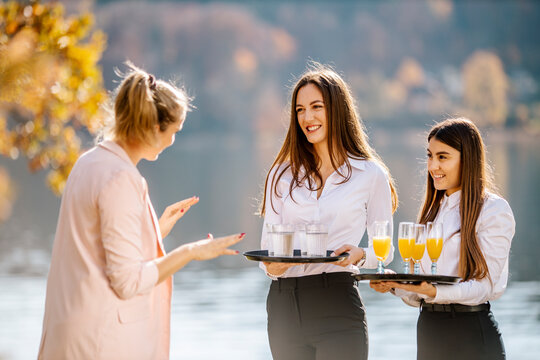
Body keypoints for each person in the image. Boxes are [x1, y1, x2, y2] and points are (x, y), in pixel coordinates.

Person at [38, 63, 244, 359]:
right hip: (98, 342)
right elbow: (127, 282)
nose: (173, 140)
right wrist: (192, 252)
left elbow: (98, 250)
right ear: (153, 127)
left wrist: (154, 232)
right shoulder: (122, 178)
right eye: (174, 131)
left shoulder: (89, 162)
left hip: (68, 334)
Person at [259, 63, 398, 360]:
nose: (307, 117)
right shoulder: (280, 175)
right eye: (299, 110)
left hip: (337, 301)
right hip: (285, 306)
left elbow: (384, 250)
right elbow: (267, 254)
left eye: (316, 107)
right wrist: (276, 265)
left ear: (337, 109)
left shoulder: (370, 174)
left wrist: (362, 254)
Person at [370, 118, 515, 360]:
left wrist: (435, 291)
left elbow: (483, 288)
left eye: (443, 157)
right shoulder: (432, 213)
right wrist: (396, 286)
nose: (433, 166)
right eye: (430, 156)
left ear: (467, 159)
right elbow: (421, 293)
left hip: (471, 335)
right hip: (429, 331)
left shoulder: (493, 210)